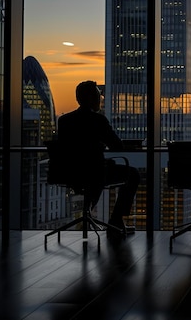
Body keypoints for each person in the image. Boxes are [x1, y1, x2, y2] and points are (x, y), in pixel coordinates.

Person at [57, 80, 140, 233]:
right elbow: (117, 146)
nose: (100, 99)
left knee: (98, 171)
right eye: (98, 96)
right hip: (94, 173)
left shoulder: (64, 121)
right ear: (90, 99)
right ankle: (116, 221)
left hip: (69, 173)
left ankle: (93, 211)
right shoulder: (98, 120)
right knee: (133, 174)